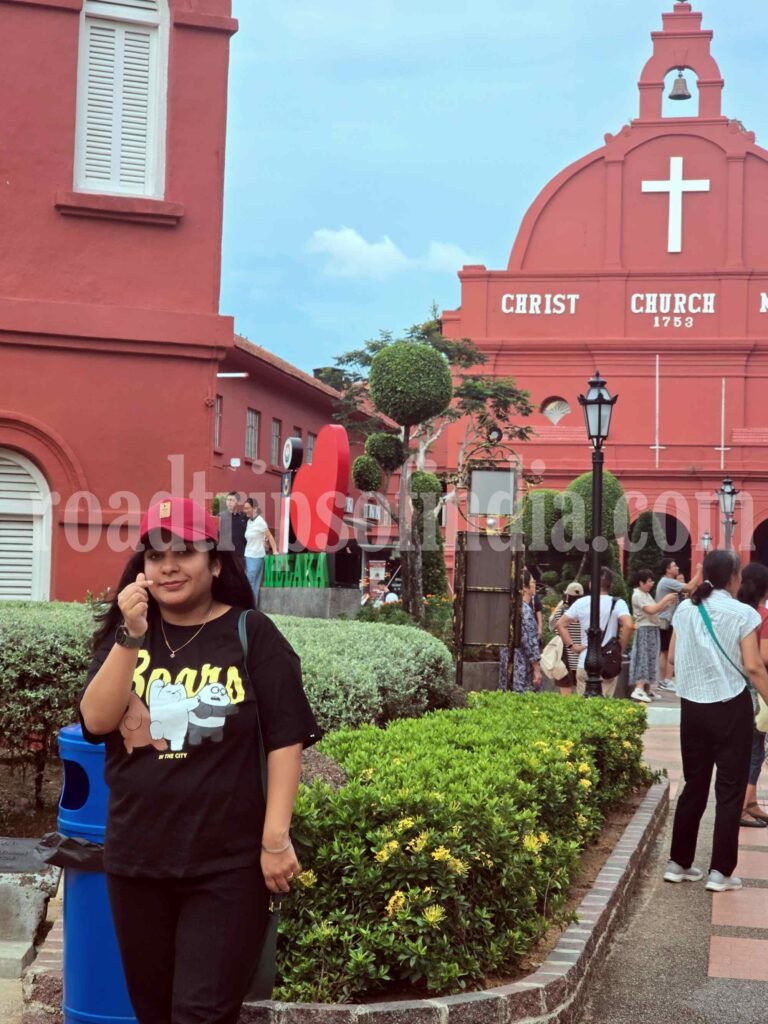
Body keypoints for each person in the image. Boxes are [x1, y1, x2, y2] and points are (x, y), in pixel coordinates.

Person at [79, 497, 321, 1024]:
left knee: (199, 1013)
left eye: (185, 552)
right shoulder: (128, 636)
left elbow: (285, 740)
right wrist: (130, 637)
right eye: (156, 554)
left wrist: (275, 839)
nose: (169, 566)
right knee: (154, 1012)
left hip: (226, 867)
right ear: (141, 569)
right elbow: (96, 722)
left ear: (215, 563)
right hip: (136, 861)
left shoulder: (252, 634)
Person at [664, 550, 768, 893]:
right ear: (734, 577)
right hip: (730, 708)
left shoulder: (685, 609)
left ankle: (678, 863)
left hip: (692, 708)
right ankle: (720, 872)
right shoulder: (743, 613)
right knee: (728, 790)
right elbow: (754, 667)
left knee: (693, 785)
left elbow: (677, 657)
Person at [556, 568, 632, 698]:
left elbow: (560, 624)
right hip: (608, 662)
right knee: (603, 708)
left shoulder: (581, 602)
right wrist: (619, 649)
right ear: (610, 585)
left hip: (584, 660)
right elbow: (629, 625)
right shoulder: (618, 603)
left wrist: (572, 646)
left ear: (592, 584)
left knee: (584, 710)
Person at [737, 562, 768, 828]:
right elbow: (764, 657)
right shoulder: (762, 616)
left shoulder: (736, 612)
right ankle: (744, 805)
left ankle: (751, 801)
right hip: (757, 688)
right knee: (756, 748)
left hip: (734, 687)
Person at [629, 570, 679, 703]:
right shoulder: (637, 595)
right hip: (644, 630)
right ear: (641, 582)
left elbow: (656, 609)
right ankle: (638, 689)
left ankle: (648, 688)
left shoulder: (646, 595)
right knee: (643, 658)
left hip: (652, 629)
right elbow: (651, 610)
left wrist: (667, 604)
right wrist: (665, 600)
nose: (651, 584)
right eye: (649, 581)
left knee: (652, 659)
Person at [656, 558, 703, 692]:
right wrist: (699, 572)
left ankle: (664, 680)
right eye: (674, 565)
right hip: (666, 620)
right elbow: (688, 588)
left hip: (665, 620)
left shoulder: (667, 582)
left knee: (665, 652)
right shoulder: (667, 581)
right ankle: (667, 680)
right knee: (669, 650)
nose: (677, 567)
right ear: (667, 569)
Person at [549, 581, 585, 695]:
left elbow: (551, 625)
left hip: (565, 658)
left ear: (567, 596)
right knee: (582, 694)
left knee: (565, 693)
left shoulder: (563, 612)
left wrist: (560, 605)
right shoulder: (586, 612)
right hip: (582, 657)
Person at [510, 570, 542, 693]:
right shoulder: (525, 611)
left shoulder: (512, 607)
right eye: (532, 582)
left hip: (510, 662)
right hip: (522, 665)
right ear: (524, 587)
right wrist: (536, 668)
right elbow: (529, 641)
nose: (535, 585)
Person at [243, 496, 276, 607]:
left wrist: (275, 551)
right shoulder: (249, 522)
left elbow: (270, 537)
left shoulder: (260, 522)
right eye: (245, 508)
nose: (245, 510)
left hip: (256, 556)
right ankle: (252, 608)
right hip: (248, 555)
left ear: (254, 508)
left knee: (251, 584)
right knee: (253, 585)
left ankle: (249, 607)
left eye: (247, 508)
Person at [217, 490, 248, 559]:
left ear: (238, 502)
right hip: (225, 556)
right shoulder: (220, 516)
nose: (229, 502)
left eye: (232, 500)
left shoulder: (244, 517)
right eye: (227, 500)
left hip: (240, 555)